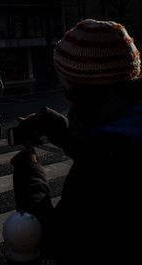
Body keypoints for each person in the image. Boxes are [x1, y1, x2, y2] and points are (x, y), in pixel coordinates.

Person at [9, 19, 142, 264]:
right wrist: (62, 131)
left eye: (63, 81)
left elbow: (53, 240)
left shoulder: (101, 167)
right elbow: (104, 153)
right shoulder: (128, 124)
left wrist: (29, 172)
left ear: (75, 86)